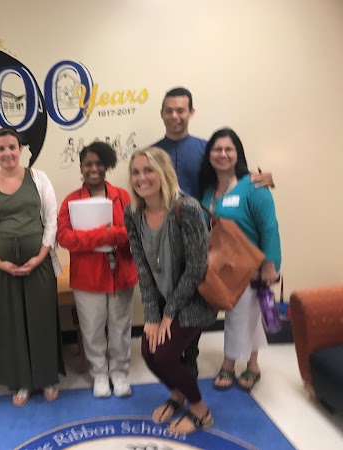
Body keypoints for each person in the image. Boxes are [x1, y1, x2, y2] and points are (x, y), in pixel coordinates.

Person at [152, 86, 275, 377]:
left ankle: (192, 356)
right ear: (162, 114)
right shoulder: (153, 153)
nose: (175, 115)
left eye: (181, 110)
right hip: (166, 241)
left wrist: (262, 177)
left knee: (202, 299)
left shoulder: (205, 149)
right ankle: (169, 353)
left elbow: (233, 174)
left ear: (191, 113)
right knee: (168, 297)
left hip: (204, 244)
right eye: (169, 110)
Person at [124, 147, 216, 435]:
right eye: (136, 172)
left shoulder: (186, 208)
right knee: (148, 353)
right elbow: (142, 267)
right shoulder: (132, 213)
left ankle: (201, 412)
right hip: (164, 301)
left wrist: (169, 313)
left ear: (163, 172)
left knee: (164, 355)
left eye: (148, 170)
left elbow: (197, 268)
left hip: (195, 299)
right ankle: (178, 394)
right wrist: (152, 315)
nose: (141, 178)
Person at [0, 127, 64, 407]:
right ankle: (21, 381)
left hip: (40, 263)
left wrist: (40, 255)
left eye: (12, 147)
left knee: (42, 319)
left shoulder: (39, 178)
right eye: (1, 148)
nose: (7, 153)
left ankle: (46, 378)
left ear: (20, 149)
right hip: (0, 269)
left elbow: (51, 219)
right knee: (9, 322)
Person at [199, 128, 281, 392]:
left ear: (238, 154)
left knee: (237, 315)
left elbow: (269, 226)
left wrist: (270, 264)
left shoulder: (254, 185)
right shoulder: (209, 190)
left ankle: (228, 363)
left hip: (251, 264)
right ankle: (253, 365)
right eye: (217, 149)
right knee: (249, 315)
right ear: (209, 155)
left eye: (229, 149)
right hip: (224, 265)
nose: (222, 154)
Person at [57, 142, 137, 398]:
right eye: (88, 164)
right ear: (81, 167)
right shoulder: (71, 201)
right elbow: (65, 238)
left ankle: (119, 372)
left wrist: (104, 235)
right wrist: (104, 234)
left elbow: (133, 232)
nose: (93, 169)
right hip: (87, 276)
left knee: (120, 326)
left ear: (107, 166)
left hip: (121, 272)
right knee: (91, 328)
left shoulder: (123, 197)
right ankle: (99, 373)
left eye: (99, 163)